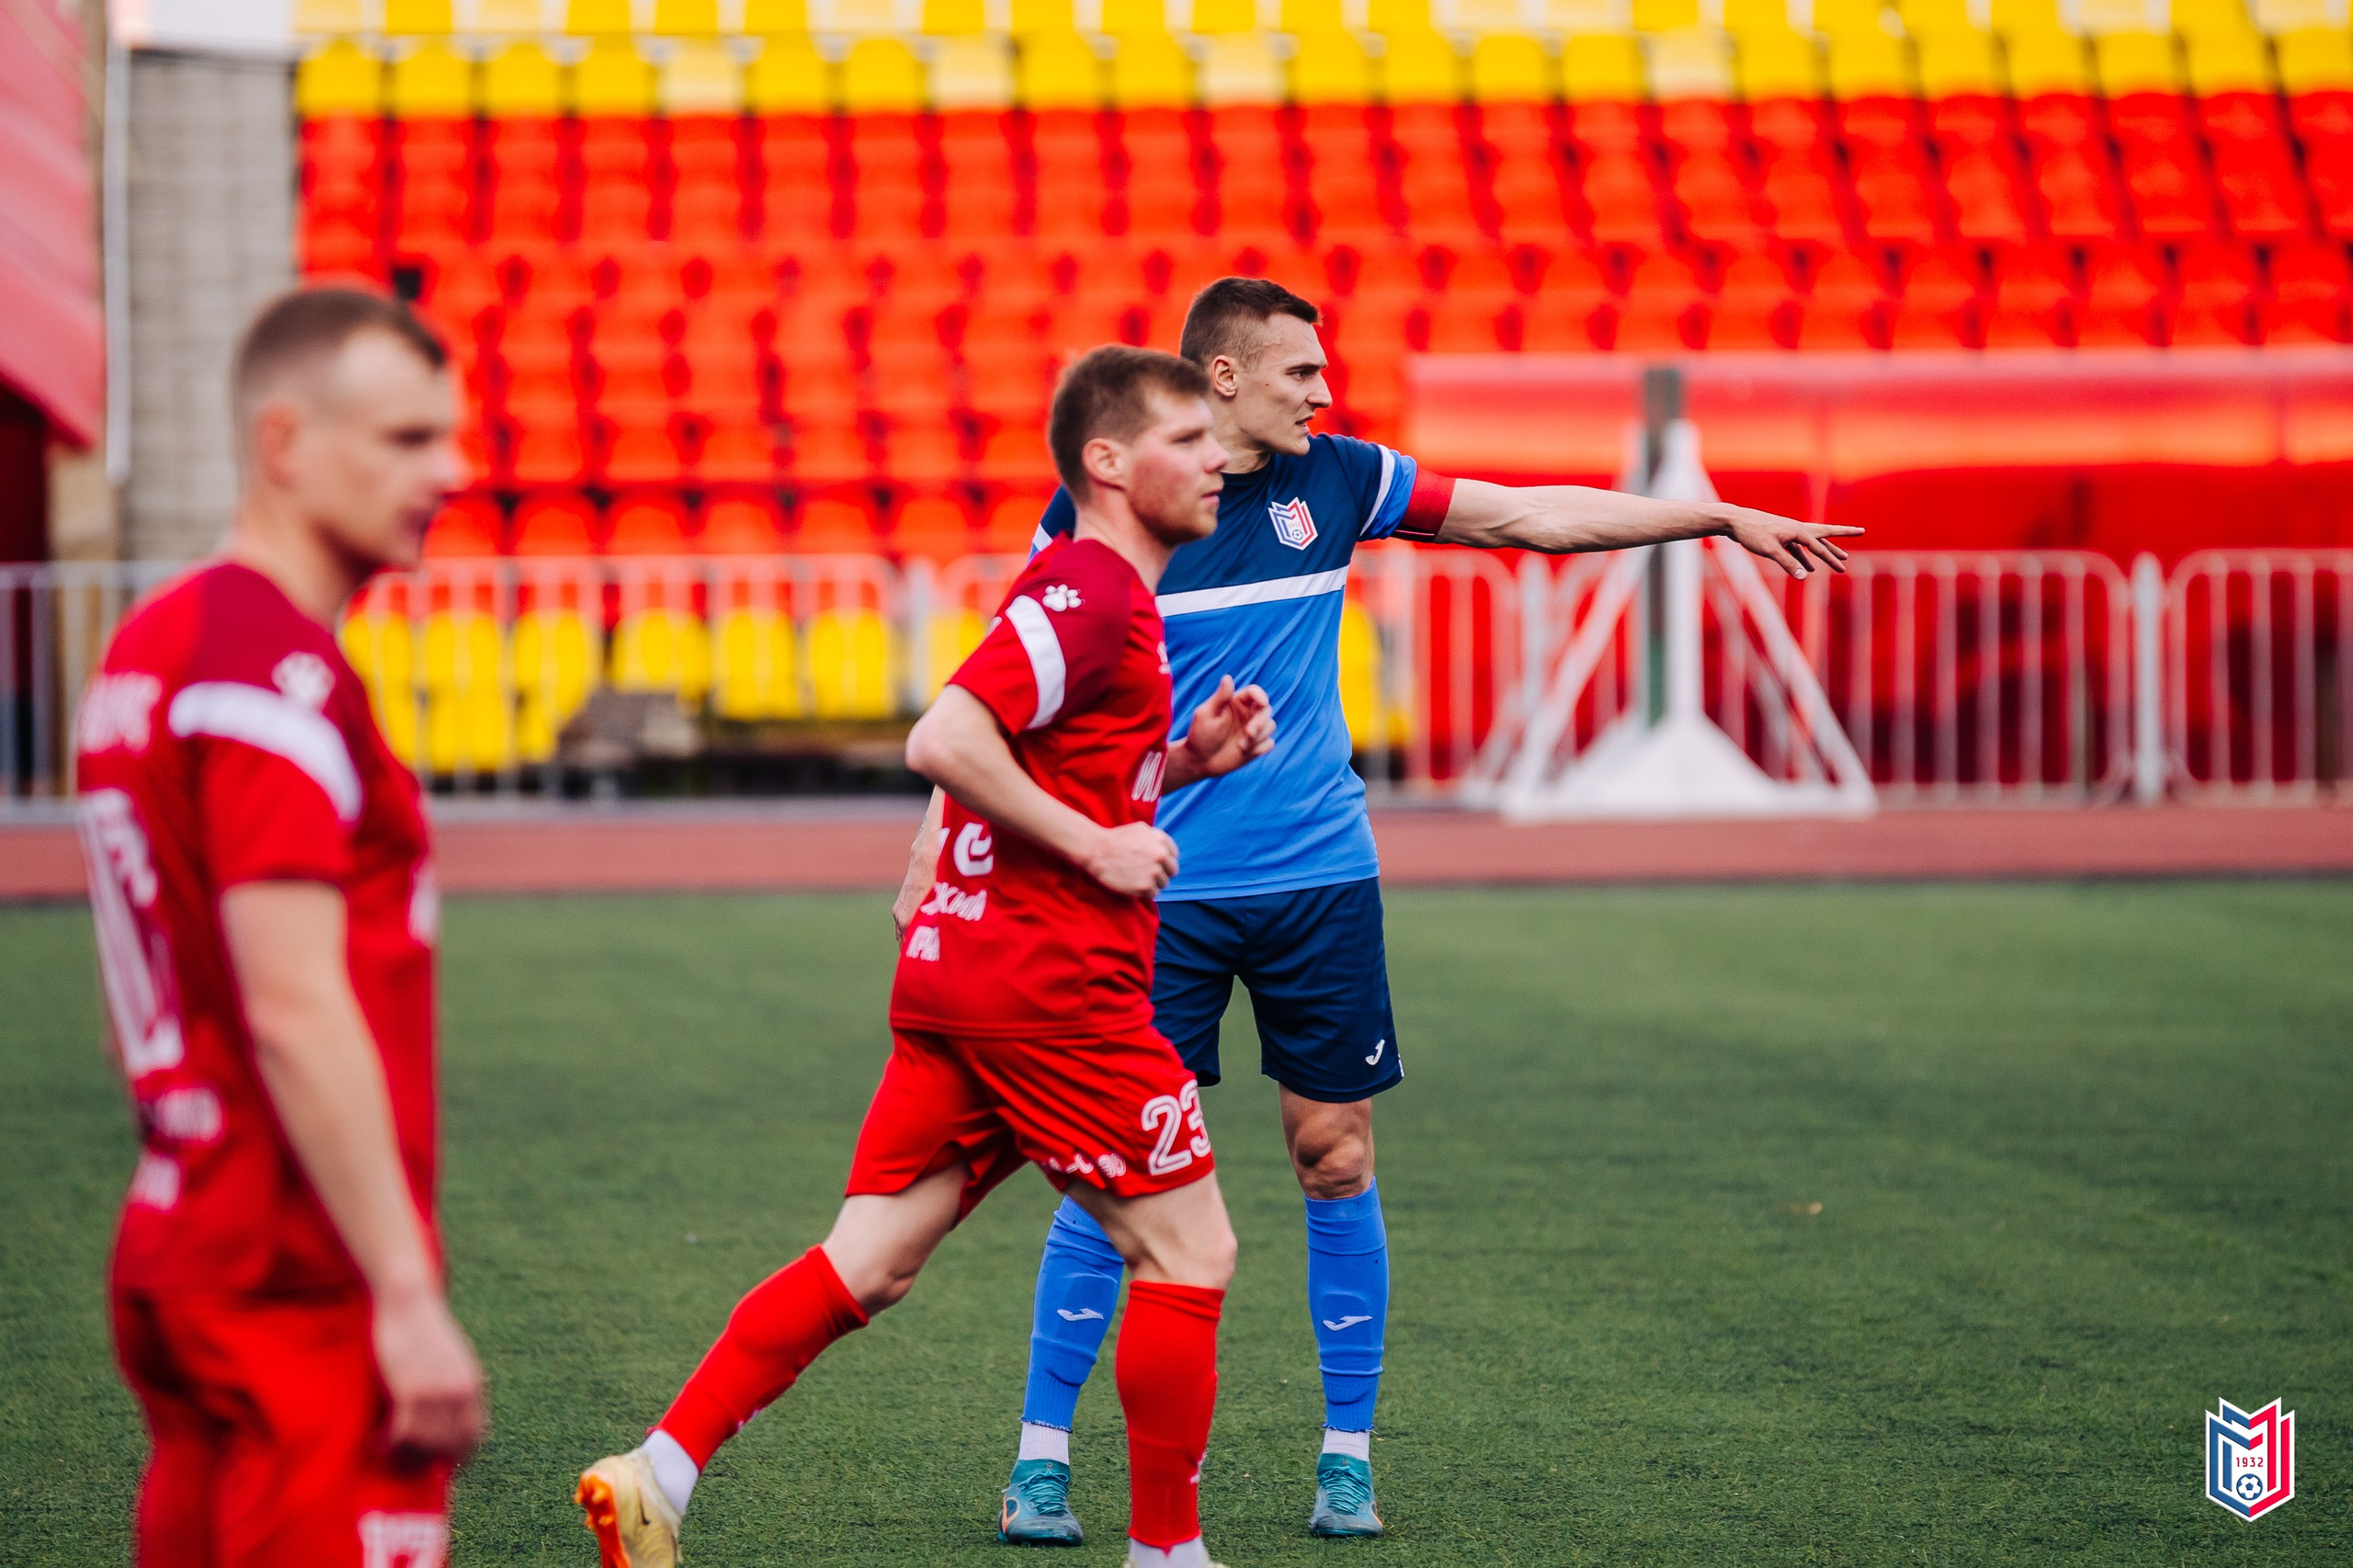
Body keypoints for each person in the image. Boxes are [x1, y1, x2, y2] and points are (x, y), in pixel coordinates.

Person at [894, 278, 1865, 1545]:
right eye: (1301, 370)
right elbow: (999, 698)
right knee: (1107, 1179)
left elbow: (1527, 515)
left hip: (1319, 883)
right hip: (1155, 895)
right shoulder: (1111, 518)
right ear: (1224, 379)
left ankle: (1345, 1455)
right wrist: (933, 845)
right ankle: (1039, 1456)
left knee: (1335, 1153)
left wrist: (1713, 516)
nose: (1324, 390)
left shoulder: (1343, 480)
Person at [575, 346, 1279, 1568]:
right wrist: (1103, 847)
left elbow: (1048, 762)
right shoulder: (1095, 588)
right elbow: (946, 732)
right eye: (1187, 439)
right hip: (1051, 989)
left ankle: (658, 1473)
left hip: (964, 979)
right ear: (1107, 463)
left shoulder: (1105, 596)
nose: (1218, 457)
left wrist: (1182, 765)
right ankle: (1169, 1554)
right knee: (1188, 1247)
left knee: (872, 1258)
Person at [74, 287, 484, 1566]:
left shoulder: (154, 649)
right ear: (285, 443)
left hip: (181, 1245)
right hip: (292, 1283)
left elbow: (138, 998)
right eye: (408, 440)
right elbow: (294, 1005)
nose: (453, 472)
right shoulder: (271, 680)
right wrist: (405, 1296)